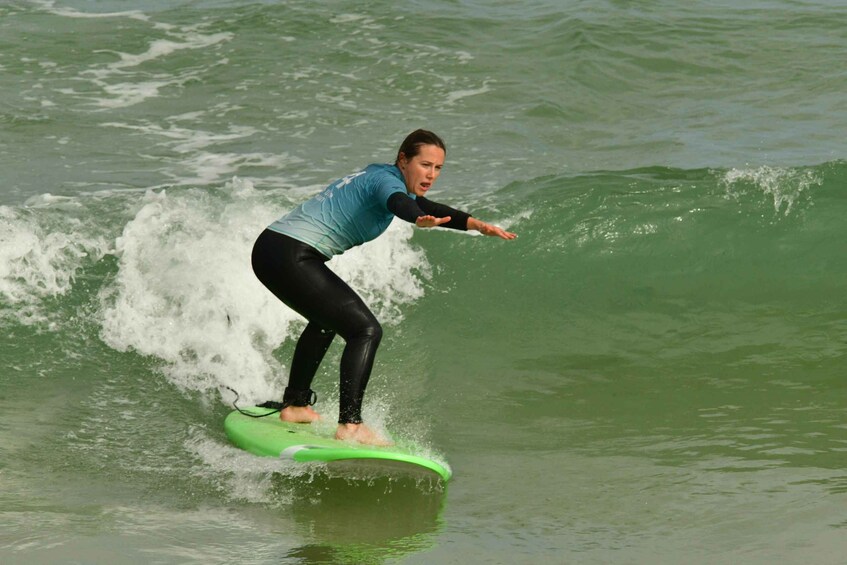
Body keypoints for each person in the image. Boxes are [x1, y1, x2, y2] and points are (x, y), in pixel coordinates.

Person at [251, 129, 516, 445]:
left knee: (326, 321)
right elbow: (401, 203)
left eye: (438, 168)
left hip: (275, 248)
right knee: (365, 330)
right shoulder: (387, 184)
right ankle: (350, 425)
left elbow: (421, 202)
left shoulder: (381, 173)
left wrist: (474, 224)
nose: (431, 174)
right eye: (425, 165)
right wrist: (417, 219)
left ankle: (295, 405)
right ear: (404, 160)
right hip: (288, 253)